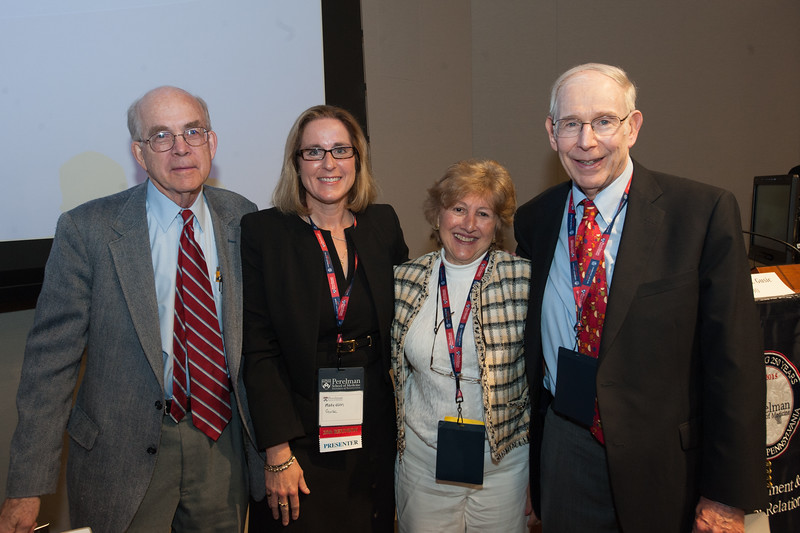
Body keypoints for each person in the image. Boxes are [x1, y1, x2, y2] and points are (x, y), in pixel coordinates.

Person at [514, 63, 766, 533]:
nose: (586, 141)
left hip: (667, 466)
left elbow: (736, 365)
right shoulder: (536, 220)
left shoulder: (701, 213)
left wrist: (727, 496)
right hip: (567, 451)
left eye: (604, 121)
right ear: (552, 133)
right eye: (571, 123)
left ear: (633, 126)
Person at [0, 86, 262, 532]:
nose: (180, 147)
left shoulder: (243, 217)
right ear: (140, 154)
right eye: (161, 136)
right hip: (119, 456)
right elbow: (50, 367)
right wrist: (26, 487)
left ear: (211, 143)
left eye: (192, 132)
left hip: (221, 447)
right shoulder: (88, 230)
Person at [241, 104, 408, 531]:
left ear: (358, 159)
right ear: (296, 164)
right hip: (298, 424)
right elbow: (259, 349)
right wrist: (277, 453)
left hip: (372, 414)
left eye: (340, 150)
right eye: (313, 152)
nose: (329, 163)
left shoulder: (383, 223)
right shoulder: (265, 233)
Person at [391, 159, 531, 532]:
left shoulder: (523, 279)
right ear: (438, 216)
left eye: (483, 213)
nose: (469, 225)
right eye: (458, 209)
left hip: (503, 463)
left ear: (497, 224)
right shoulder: (404, 279)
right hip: (422, 462)